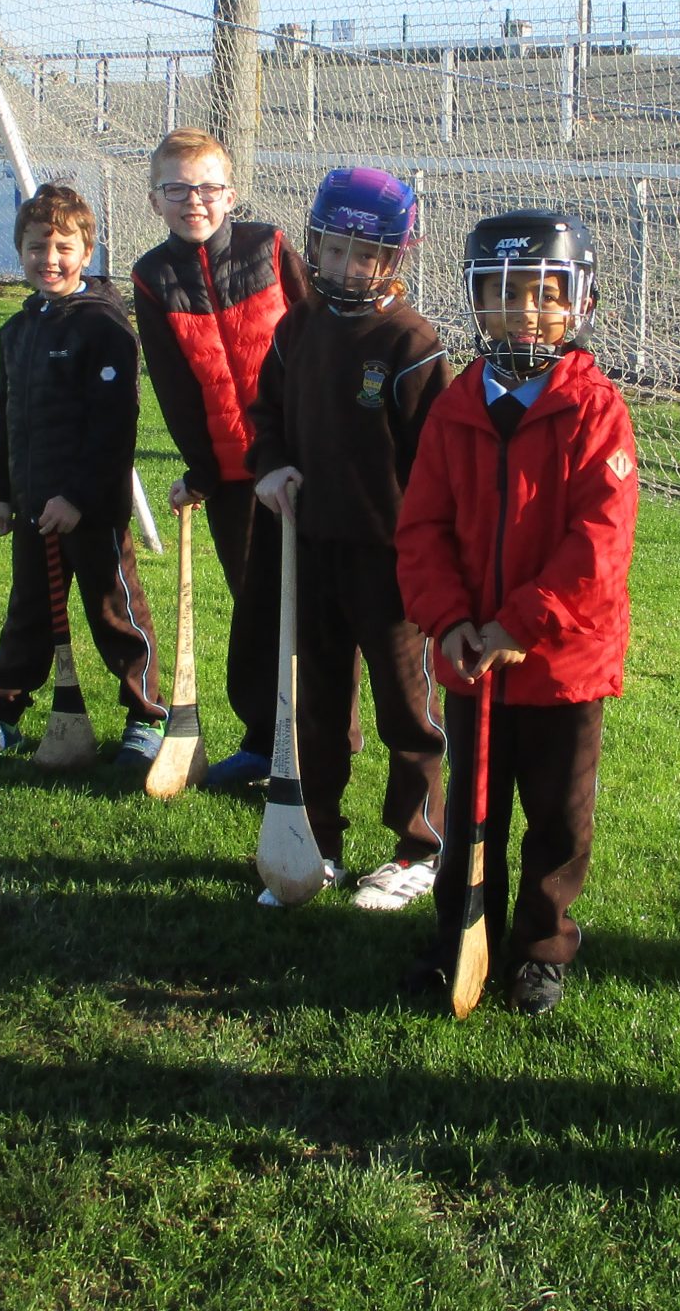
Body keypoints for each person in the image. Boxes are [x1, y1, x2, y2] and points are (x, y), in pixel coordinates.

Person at [395, 210, 638, 1015]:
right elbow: (421, 528)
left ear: (580, 302)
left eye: (546, 295)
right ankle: (461, 936)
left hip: (563, 667)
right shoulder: (456, 405)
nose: (525, 312)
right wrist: (450, 621)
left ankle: (541, 946)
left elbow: (599, 543)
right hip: (472, 661)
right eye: (503, 293)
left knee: (558, 823)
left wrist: (520, 625)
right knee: (474, 815)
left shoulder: (594, 408)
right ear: (477, 301)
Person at [248, 167, 451, 911]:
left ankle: (419, 848)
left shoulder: (411, 342)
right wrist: (270, 466)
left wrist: (427, 555)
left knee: (407, 709)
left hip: (390, 565)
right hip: (310, 550)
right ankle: (318, 841)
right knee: (317, 706)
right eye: (333, 250)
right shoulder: (297, 325)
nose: (345, 267)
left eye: (365, 255)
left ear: (394, 258)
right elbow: (266, 416)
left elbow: (438, 463)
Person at [0, 183, 166, 772]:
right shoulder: (17, 331)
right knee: (28, 614)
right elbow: (7, 417)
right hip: (32, 508)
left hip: (90, 512)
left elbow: (113, 427)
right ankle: (2, 716)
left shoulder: (104, 326)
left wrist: (76, 497)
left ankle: (146, 717)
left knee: (115, 613)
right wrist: (3, 493)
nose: (49, 258)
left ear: (86, 252)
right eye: (36, 247)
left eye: (63, 247)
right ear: (19, 251)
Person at [129, 128, 310, 790]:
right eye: (176, 189)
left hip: (304, 466)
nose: (193, 202)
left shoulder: (271, 247)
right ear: (155, 199)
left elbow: (319, 336)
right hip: (237, 484)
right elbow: (174, 387)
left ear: (231, 194)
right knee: (256, 611)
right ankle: (265, 743)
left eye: (207, 188)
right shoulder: (152, 278)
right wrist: (203, 472)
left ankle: (318, 748)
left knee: (315, 611)